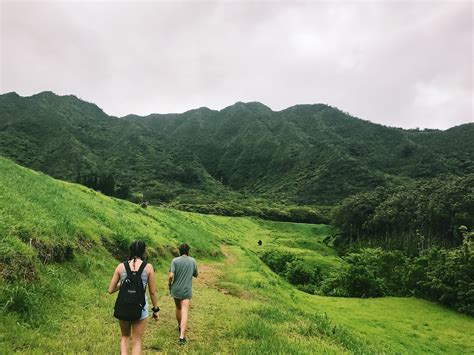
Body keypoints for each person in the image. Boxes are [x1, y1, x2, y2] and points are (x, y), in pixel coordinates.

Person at [108, 240, 160, 355]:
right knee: (137, 341)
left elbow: (111, 290)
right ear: (143, 251)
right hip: (140, 307)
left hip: (123, 306)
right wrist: (155, 310)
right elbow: (152, 292)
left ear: (130, 250)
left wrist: (124, 283)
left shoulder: (121, 267)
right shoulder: (148, 267)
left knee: (125, 337)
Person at [168, 243, 198, 345]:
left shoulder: (174, 261)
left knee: (178, 308)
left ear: (179, 251)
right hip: (186, 290)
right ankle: (182, 337)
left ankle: (180, 325)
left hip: (176, 289)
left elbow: (171, 275)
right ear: (188, 251)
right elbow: (196, 274)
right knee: (185, 311)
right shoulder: (192, 261)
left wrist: (169, 283)